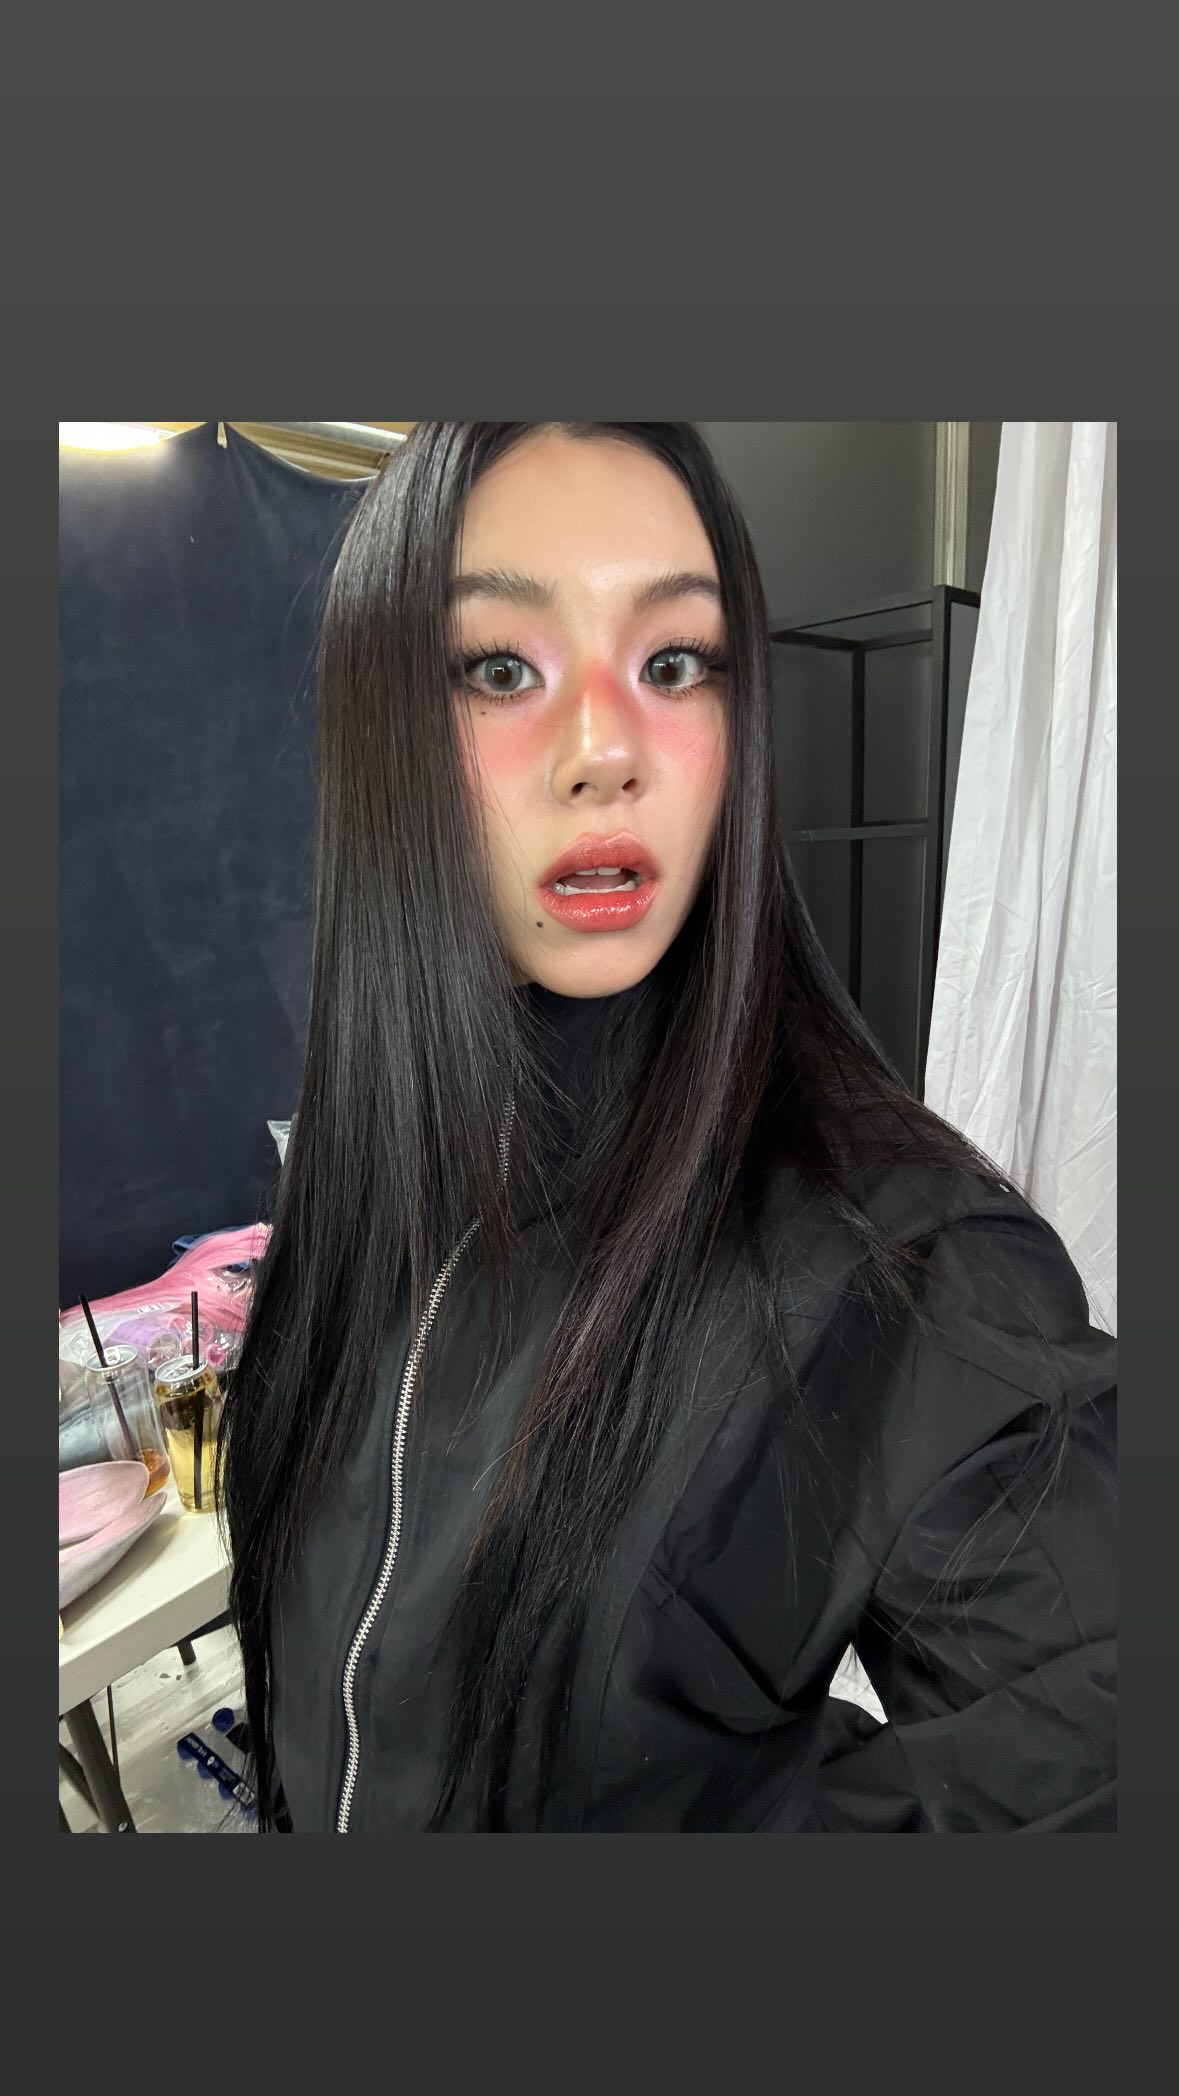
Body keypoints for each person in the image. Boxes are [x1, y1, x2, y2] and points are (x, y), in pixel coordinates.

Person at [220, 423, 1116, 1833]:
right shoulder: (367, 1187)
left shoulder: (895, 1253)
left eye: (676, 662)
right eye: (501, 668)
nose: (606, 752)